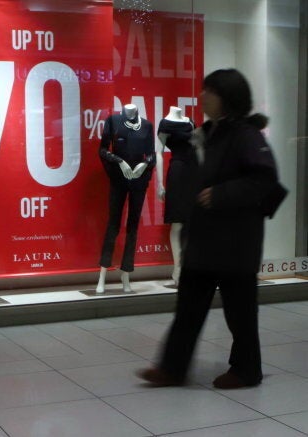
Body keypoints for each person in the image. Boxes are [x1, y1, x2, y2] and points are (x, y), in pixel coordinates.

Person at [137, 68, 282, 389]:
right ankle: (172, 368)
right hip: (206, 240)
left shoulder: (246, 135)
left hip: (235, 242)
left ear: (227, 97)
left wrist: (221, 194)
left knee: (240, 313)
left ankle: (246, 370)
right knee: (188, 308)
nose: (202, 96)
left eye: (210, 91)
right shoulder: (210, 134)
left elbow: (263, 180)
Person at [96, 104, 155, 294]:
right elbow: (103, 150)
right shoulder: (113, 121)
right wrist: (119, 161)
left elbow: (152, 154)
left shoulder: (146, 125)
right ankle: (102, 275)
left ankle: (126, 273)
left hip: (138, 180)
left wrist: (144, 165)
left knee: (133, 226)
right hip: (119, 179)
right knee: (113, 224)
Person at [155, 106, 196, 287]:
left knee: (191, 221)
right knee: (177, 221)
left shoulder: (190, 122)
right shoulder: (165, 123)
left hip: (193, 172)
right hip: (178, 170)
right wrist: (160, 183)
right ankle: (177, 267)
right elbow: (159, 153)